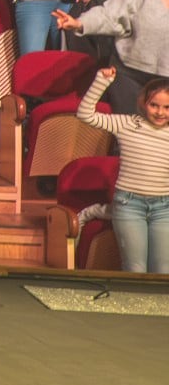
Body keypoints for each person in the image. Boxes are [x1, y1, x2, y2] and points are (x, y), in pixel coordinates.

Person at [56, 0, 169, 113]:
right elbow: (107, 15)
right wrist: (79, 23)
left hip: (165, 80)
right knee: (128, 127)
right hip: (131, 77)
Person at [74, 67, 169, 273]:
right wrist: (101, 81)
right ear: (144, 103)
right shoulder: (127, 124)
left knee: (163, 270)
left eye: (167, 107)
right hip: (129, 204)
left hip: (164, 207)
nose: (160, 112)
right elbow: (85, 114)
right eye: (154, 105)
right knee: (135, 268)